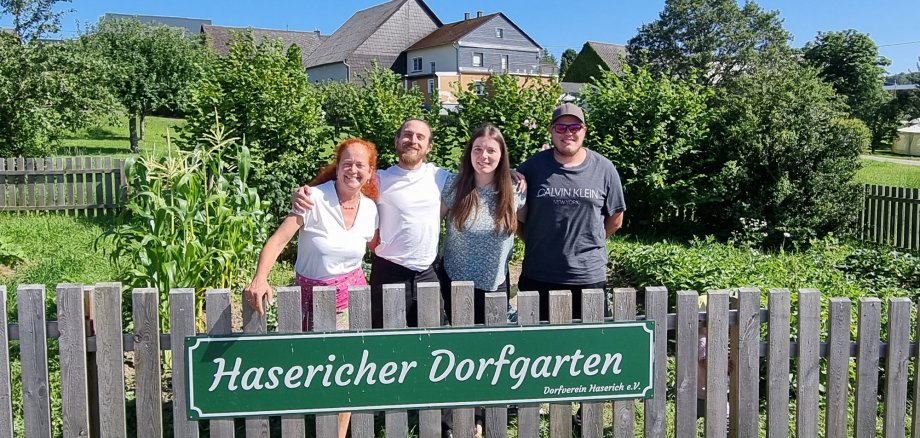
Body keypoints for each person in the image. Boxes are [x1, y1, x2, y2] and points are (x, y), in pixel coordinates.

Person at [244, 138, 379, 438]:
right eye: (347, 163)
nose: (353, 170)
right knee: (307, 367)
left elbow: (373, 245)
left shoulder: (370, 209)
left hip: (351, 299)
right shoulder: (313, 199)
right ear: (337, 166)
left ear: (370, 173)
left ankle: (338, 434)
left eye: (361, 165)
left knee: (347, 369)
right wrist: (260, 277)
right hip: (308, 298)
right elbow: (278, 241)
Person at [516, 103, 626, 322]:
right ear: (551, 131)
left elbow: (616, 219)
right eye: (561, 128)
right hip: (539, 275)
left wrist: (589, 243)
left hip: (587, 277)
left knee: (590, 348)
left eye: (574, 127)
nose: (568, 133)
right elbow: (515, 213)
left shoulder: (604, 168)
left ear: (584, 130)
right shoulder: (532, 167)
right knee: (537, 350)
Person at [439, 123, 525, 325]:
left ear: (502, 155)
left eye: (491, 150)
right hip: (456, 283)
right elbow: (431, 226)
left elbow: (531, 226)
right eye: (478, 149)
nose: (483, 156)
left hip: (496, 283)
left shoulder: (515, 190)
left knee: (493, 349)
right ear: (470, 153)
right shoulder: (454, 185)